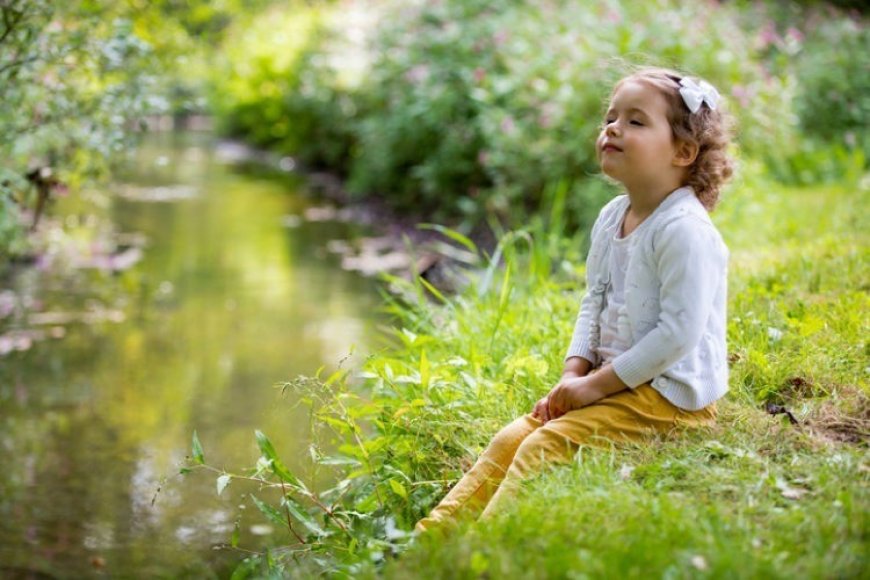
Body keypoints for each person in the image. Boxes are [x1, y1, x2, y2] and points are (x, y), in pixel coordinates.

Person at [415, 67, 734, 533]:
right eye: (611, 117)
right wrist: (574, 371)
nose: (612, 128)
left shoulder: (683, 229)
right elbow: (595, 298)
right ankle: (430, 541)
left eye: (636, 121)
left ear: (684, 151)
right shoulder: (611, 217)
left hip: (670, 399)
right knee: (514, 437)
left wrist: (594, 388)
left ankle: (479, 554)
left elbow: (677, 335)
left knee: (543, 446)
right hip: (618, 382)